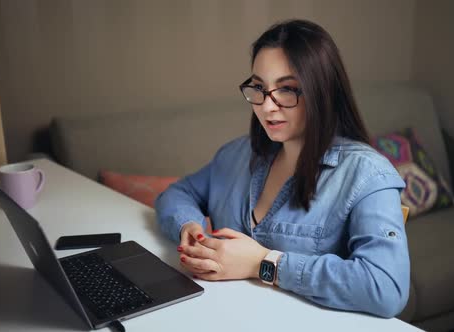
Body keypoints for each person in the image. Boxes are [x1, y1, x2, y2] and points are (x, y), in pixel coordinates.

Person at [155, 19, 409, 318]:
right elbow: (177, 194)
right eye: (259, 88)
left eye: (287, 89)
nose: (267, 106)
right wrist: (190, 228)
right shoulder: (237, 154)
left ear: (321, 92)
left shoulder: (366, 174)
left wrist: (263, 263)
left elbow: (386, 288)